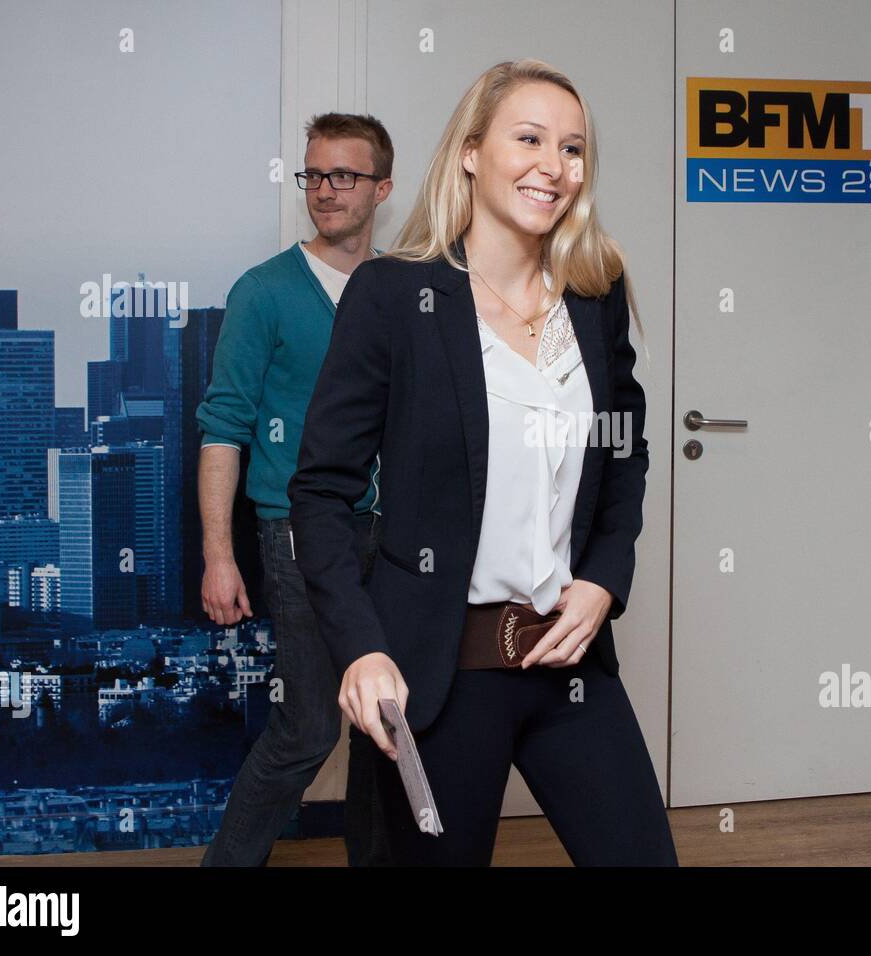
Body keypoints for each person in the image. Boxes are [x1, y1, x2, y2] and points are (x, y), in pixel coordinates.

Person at [288, 59, 677, 865]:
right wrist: (361, 648)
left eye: (572, 148)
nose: (553, 165)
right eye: (528, 138)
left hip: (569, 669)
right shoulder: (396, 297)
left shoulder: (592, 296)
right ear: (470, 152)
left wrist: (604, 577)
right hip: (438, 679)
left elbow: (625, 451)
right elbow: (322, 491)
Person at [195, 113, 395, 866]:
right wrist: (220, 555)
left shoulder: (403, 286)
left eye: (345, 175)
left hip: (398, 536)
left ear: (382, 186)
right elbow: (223, 428)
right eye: (314, 175)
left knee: (390, 720)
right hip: (296, 534)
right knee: (309, 727)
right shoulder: (266, 292)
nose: (325, 191)